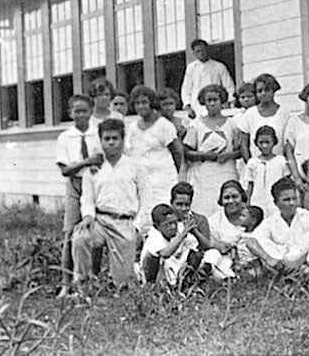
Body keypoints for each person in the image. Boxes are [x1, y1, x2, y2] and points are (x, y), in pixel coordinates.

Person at [71, 118, 143, 287]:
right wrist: (88, 216)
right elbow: (87, 197)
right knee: (80, 238)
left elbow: (146, 198)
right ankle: (83, 282)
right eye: (107, 139)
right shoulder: (94, 168)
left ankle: (120, 282)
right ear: (101, 140)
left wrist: (138, 225)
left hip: (125, 223)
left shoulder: (134, 166)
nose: (111, 143)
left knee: (124, 283)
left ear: (122, 140)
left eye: (115, 138)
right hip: (101, 221)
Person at [55, 95, 104, 295]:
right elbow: (66, 170)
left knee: (95, 231)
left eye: (84, 110)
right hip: (75, 185)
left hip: (96, 183)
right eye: (77, 111)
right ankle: (66, 283)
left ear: (91, 111)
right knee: (70, 233)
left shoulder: (98, 133)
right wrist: (87, 162)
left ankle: (93, 278)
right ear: (70, 113)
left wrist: (94, 163)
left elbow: (103, 159)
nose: (81, 115)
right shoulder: (65, 137)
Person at [126, 85, 184, 232]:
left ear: (151, 103)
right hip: (142, 180)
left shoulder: (164, 125)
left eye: (144, 102)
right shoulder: (132, 127)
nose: (141, 106)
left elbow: (177, 152)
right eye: (137, 103)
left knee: (164, 214)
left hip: (163, 179)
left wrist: (176, 175)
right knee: (143, 215)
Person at [184, 84, 240, 217]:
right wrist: (205, 155)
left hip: (226, 171)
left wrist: (228, 155)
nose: (212, 103)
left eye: (216, 100)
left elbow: (239, 151)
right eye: (209, 100)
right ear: (204, 102)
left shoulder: (232, 124)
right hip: (203, 174)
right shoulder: (196, 125)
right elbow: (187, 152)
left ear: (222, 101)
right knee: (204, 208)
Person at [251, 177, 309, 269]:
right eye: (286, 200)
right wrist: (268, 258)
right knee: (261, 240)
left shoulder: (307, 217)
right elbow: (251, 241)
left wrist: (298, 262)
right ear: (276, 203)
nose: (292, 203)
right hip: (278, 265)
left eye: (294, 199)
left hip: (305, 264)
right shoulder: (271, 222)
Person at [140, 204, 208, 286]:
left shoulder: (178, 231)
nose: (172, 227)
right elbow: (165, 253)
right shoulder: (154, 235)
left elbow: (204, 246)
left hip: (174, 270)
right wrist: (183, 234)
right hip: (154, 274)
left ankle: (185, 285)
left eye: (174, 223)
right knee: (154, 257)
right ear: (157, 226)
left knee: (196, 254)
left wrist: (194, 231)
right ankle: (154, 287)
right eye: (167, 224)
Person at [238, 73, 289, 161]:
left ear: (274, 91)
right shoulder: (250, 114)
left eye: (267, 90)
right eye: (259, 91)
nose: (263, 93)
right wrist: (251, 163)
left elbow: (287, 144)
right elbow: (243, 144)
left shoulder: (284, 113)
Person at [205, 181, 250, 280]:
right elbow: (209, 244)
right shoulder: (213, 221)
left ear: (242, 197)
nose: (231, 201)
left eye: (235, 196)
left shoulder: (253, 217)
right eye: (226, 198)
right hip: (224, 262)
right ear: (221, 200)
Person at [181, 38, 235, 118]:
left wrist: (228, 102)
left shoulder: (219, 66)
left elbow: (229, 86)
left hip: (215, 103)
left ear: (207, 50)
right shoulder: (191, 68)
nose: (201, 53)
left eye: (203, 50)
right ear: (194, 53)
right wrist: (188, 106)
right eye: (198, 51)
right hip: (197, 107)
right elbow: (186, 88)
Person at [244, 125, 288, 218]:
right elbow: (250, 185)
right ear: (256, 143)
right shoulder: (252, 162)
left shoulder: (281, 161)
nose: (264, 146)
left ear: (274, 142)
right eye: (261, 142)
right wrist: (247, 203)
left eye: (267, 142)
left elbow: (286, 184)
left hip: (275, 203)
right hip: (257, 201)